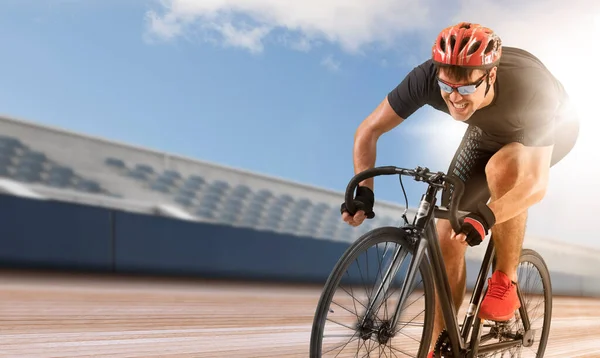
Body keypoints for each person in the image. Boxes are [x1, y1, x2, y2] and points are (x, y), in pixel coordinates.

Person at [340, 22, 579, 357]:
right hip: (485, 132)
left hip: (551, 131)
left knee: (503, 169)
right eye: (446, 87)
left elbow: (535, 184)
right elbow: (368, 131)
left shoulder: (531, 87)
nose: (454, 98)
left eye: (466, 89)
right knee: (443, 236)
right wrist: (364, 190)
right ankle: (441, 345)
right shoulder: (426, 79)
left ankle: (505, 280)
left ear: (490, 77)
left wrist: (486, 216)